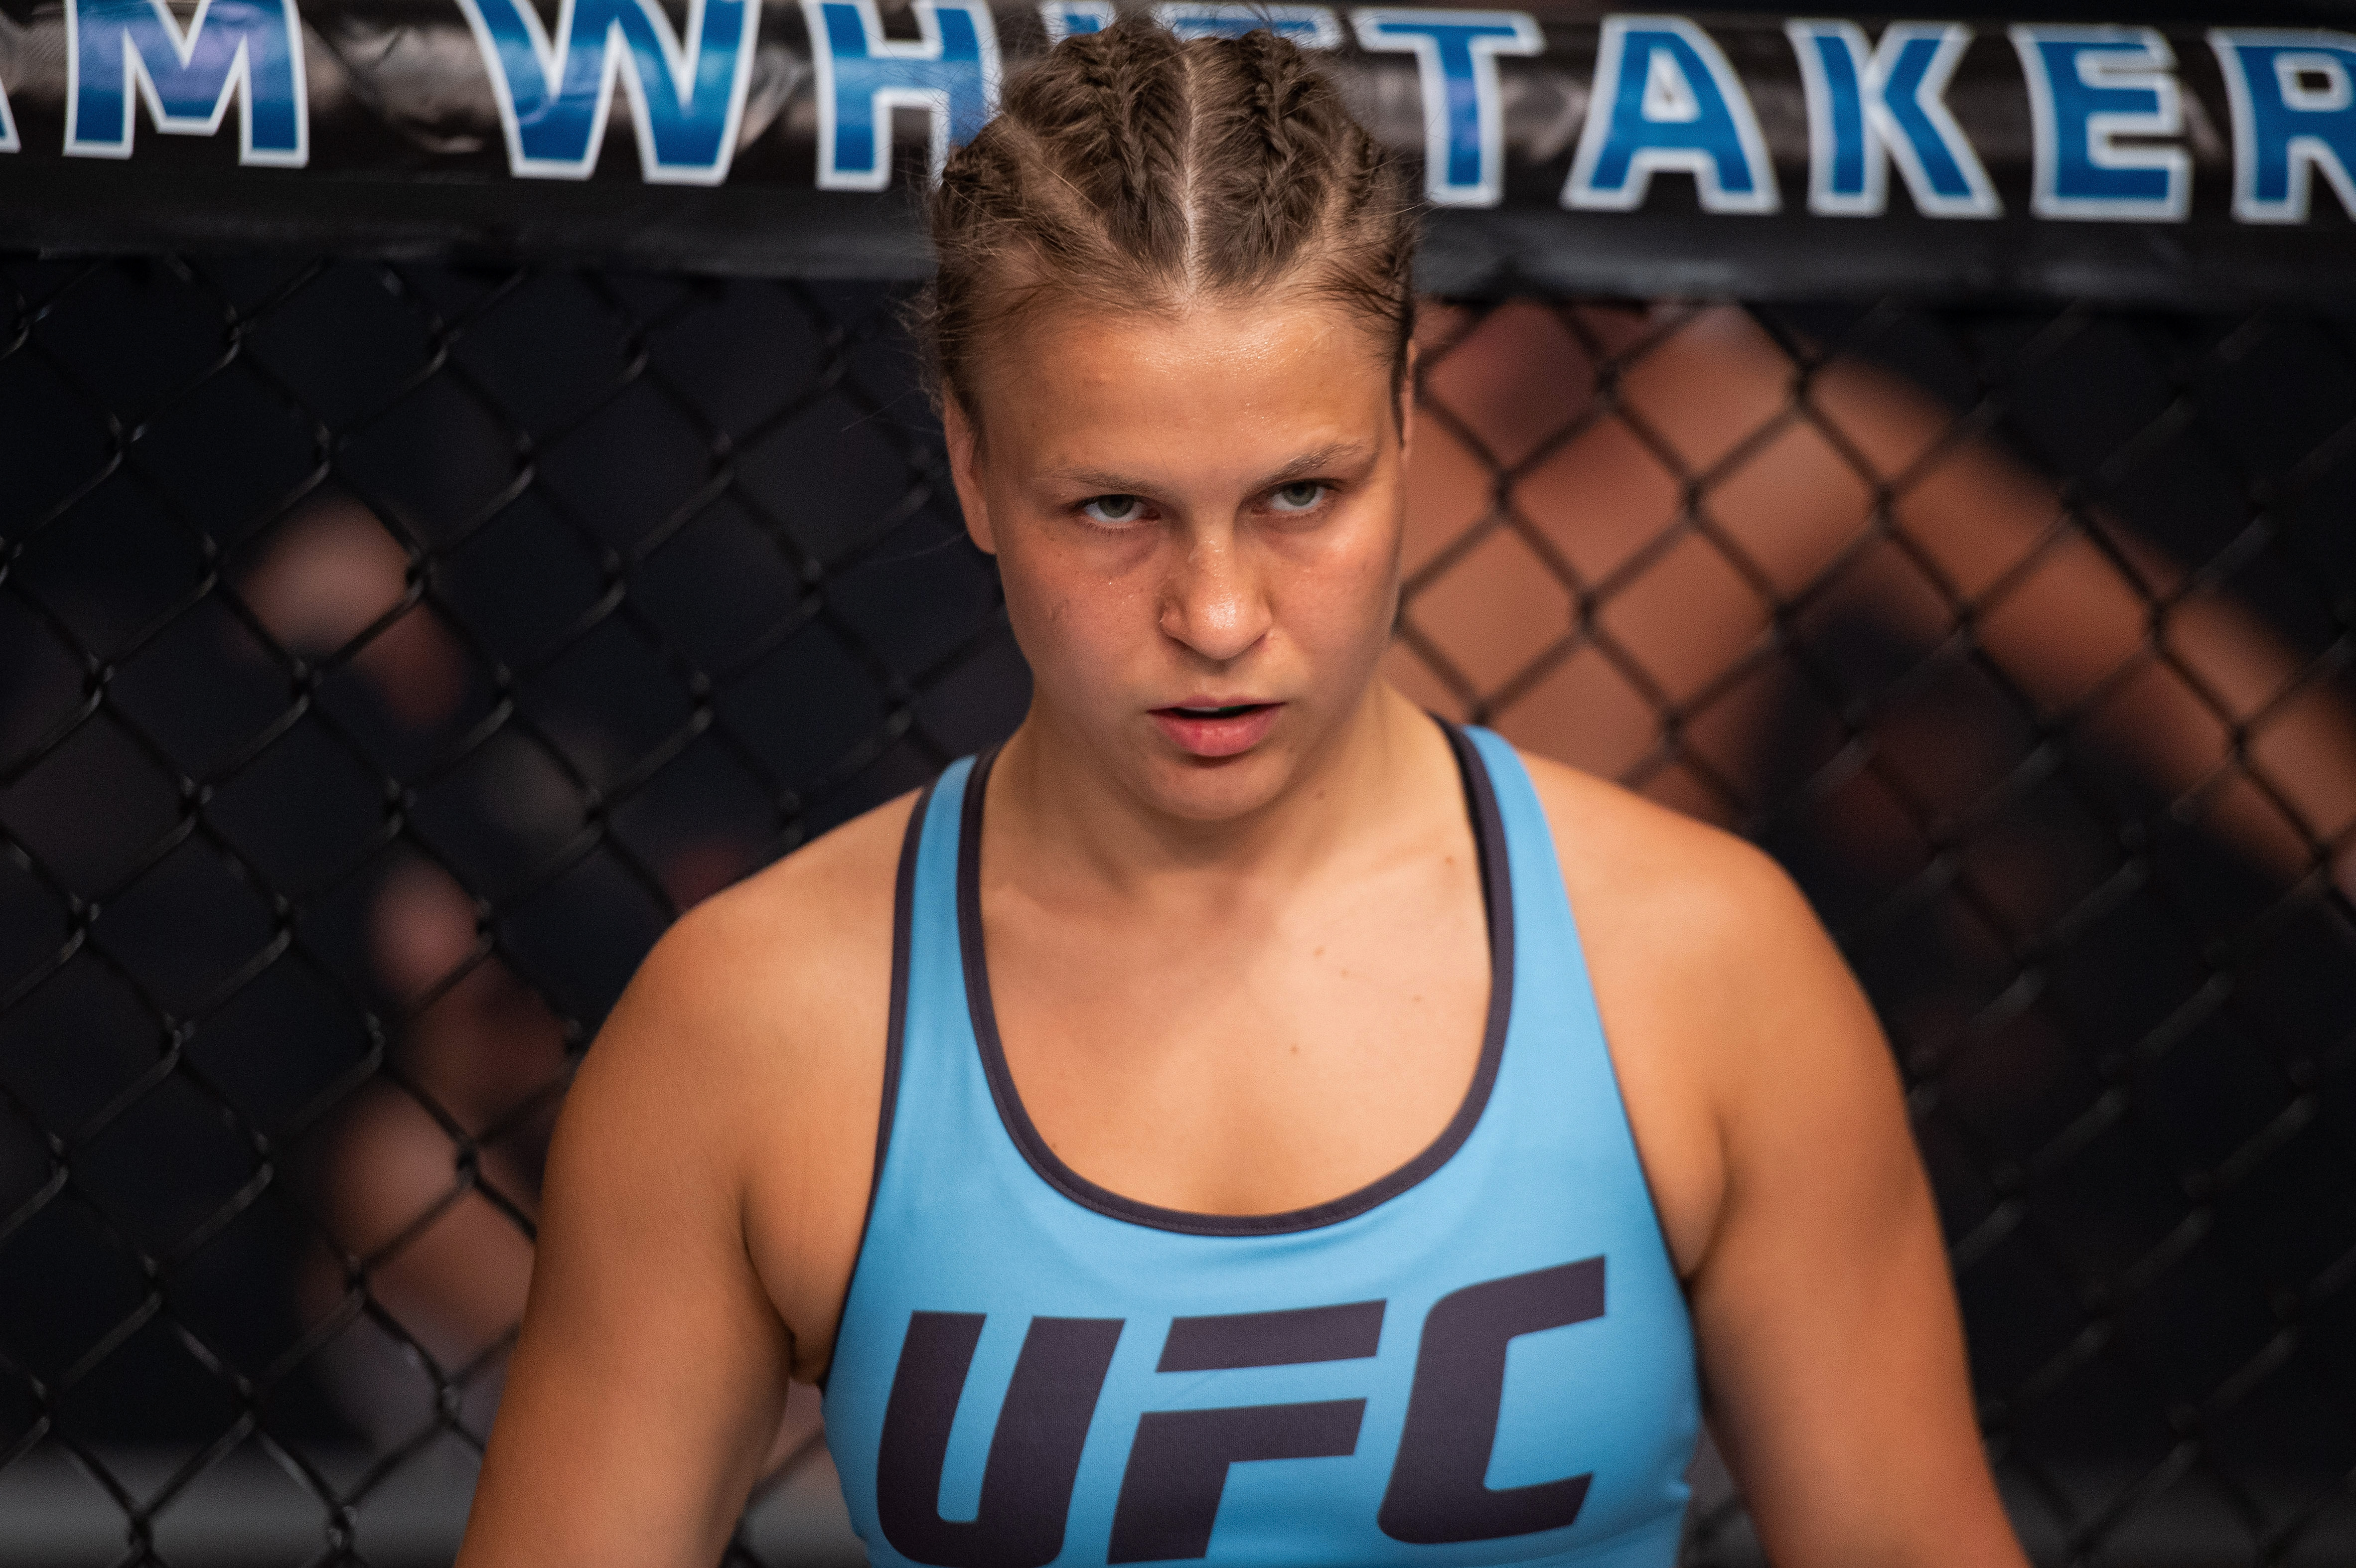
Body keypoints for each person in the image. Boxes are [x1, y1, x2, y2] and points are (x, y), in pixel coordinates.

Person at [455, 20, 2028, 1568]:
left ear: (1410, 421)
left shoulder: (1701, 965)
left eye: (1301, 493)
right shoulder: (756, 1022)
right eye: (1115, 506)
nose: (1216, 617)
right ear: (972, 466)